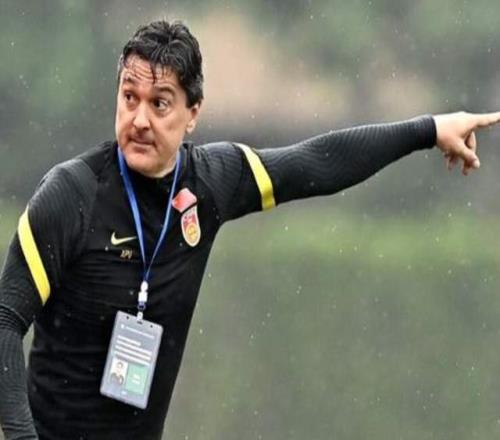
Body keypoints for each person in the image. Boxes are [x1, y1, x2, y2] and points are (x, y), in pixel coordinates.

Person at [0, 19, 498, 440]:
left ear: (193, 114)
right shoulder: (70, 195)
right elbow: (4, 321)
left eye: (160, 103)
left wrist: (429, 130)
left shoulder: (211, 182)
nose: (140, 119)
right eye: (129, 98)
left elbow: (317, 163)